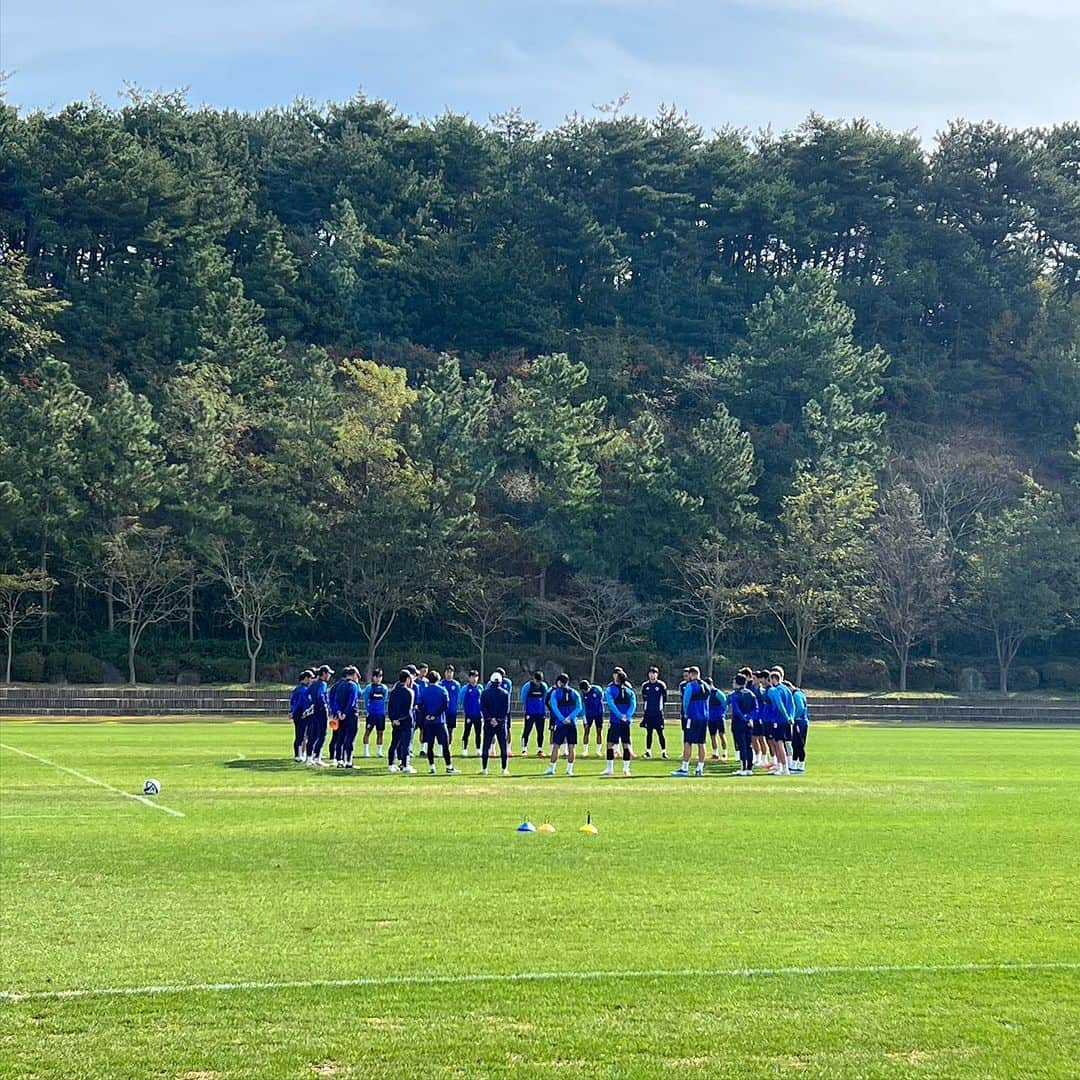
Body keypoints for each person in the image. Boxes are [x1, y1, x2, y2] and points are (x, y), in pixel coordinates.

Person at [672, 665, 709, 777]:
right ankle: (700, 769)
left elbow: (686, 702)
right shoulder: (706, 686)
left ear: (692, 674)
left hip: (693, 717)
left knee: (688, 742)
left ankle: (684, 768)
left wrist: (686, 714)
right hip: (704, 717)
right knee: (701, 743)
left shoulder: (690, 686)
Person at [543, 674, 582, 776]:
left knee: (556, 746)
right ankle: (569, 769)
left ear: (559, 682)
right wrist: (570, 717)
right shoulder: (574, 693)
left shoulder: (555, 693)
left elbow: (554, 707)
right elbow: (579, 707)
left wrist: (562, 718)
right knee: (571, 747)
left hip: (560, 724)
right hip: (572, 723)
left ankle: (551, 768)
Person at [601, 668, 636, 777]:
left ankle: (609, 768)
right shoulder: (629, 691)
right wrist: (627, 716)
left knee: (610, 744)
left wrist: (620, 716)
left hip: (616, 721)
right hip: (626, 722)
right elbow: (633, 705)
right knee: (626, 744)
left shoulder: (610, 690)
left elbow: (611, 705)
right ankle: (626, 769)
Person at [420, 669, 456, 774]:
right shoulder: (442, 690)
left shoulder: (424, 691)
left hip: (428, 722)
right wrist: (435, 715)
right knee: (445, 745)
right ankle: (449, 766)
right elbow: (445, 705)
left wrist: (427, 715)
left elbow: (420, 705)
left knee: (430, 745)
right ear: (438, 678)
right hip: (440, 721)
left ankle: (432, 767)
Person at [480, 672, 512, 776]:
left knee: (486, 746)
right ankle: (504, 769)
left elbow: (483, 708)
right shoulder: (505, 693)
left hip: (489, 723)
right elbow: (505, 709)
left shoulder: (485, 693)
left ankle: (484, 769)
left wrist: (490, 718)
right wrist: (498, 719)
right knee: (503, 746)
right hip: (501, 723)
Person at [331, 666, 362, 768]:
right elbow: (352, 700)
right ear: (353, 675)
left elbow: (336, 700)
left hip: (340, 716)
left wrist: (339, 712)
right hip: (351, 715)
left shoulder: (340, 685)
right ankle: (348, 761)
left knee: (340, 738)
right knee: (350, 739)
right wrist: (345, 712)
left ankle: (339, 760)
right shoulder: (353, 685)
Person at [763, 670, 793, 775]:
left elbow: (780, 705)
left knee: (779, 744)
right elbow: (792, 705)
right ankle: (781, 766)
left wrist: (786, 717)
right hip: (786, 721)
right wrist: (791, 717)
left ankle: (784, 768)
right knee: (781, 744)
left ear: (774, 679)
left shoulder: (776, 690)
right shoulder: (787, 689)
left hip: (779, 720)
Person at [387, 669, 417, 774]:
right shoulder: (410, 692)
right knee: (406, 744)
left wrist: (393, 719)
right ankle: (405, 764)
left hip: (395, 721)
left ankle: (391, 764)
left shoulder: (393, 691)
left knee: (394, 742)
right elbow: (407, 709)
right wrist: (400, 719)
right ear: (408, 679)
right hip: (406, 721)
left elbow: (390, 707)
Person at [729, 674, 757, 776]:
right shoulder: (751, 694)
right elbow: (756, 709)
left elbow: (736, 710)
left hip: (738, 722)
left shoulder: (735, 695)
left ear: (736, 683)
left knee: (742, 745)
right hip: (749, 723)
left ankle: (743, 768)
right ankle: (749, 768)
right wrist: (750, 718)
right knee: (749, 745)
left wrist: (744, 718)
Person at [306, 664, 333, 767]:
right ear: (324, 674)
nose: (329, 675)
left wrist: (311, 704)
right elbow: (320, 695)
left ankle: (309, 758)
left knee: (313, 735)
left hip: (315, 710)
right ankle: (317, 757)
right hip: (321, 710)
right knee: (322, 735)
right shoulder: (322, 684)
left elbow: (306, 694)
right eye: (328, 673)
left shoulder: (313, 684)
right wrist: (324, 704)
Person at [640, 666, 669, 759]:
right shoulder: (645, 686)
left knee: (660, 733)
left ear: (657, 674)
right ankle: (648, 751)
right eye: (651, 673)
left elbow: (664, 699)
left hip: (658, 713)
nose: (652, 675)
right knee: (649, 733)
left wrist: (659, 708)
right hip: (648, 713)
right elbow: (644, 699)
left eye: (654, 673)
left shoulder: (661, 685)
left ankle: (664, 752)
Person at [520, 671, 550, 757]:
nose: (538, 683)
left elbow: (545, 698)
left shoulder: (543, 686)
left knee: (540, 732)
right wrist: (529, 707)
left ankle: (540, 750)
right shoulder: (527, 686)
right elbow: (523, 697)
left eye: (540, 681)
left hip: (540, 713)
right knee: (527, 731)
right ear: (533, 679)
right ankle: (524, 749)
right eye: (537, 681)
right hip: (530, 713)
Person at [361, 669, 388, 757]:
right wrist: (368, 709)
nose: (378, 679)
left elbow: (384, 699)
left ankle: (379, 751)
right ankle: (365, 751)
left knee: (380, 733)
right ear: (373, 677)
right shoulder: (369, 688)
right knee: (368, 732)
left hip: (381, 714)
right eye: (376, 676)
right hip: (372, 714)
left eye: (380, 676)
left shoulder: (384, 688)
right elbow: (365, 699)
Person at [289, 670, 314, 762]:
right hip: (301, 714)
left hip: (298, 714)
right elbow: (302, 703)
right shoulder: (303, 690)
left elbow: (292, 702)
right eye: (311, 678)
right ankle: (298, 755)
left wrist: (292, 711)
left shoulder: (297, 689)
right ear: (306, 678)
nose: (312, 680)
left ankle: (301, 753)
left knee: (302, 735)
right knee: (301, 735)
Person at [459, 669, 484, 756]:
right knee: (466, 732)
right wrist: (464, 710)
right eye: (472, 677)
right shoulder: (466, 688)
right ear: (469, 678)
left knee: (478, 733)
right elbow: (460, 699)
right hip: (469, 715)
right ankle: (464, 749)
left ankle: (478, 749)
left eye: (476, 677)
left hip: (478, 715)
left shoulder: (480, 688)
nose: (474, 679)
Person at [579, 679, 605, 755]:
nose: (584, 692)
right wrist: (584, 720)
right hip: (588, 715)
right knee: (586, 731)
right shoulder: (582, 694)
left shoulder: (597, 690)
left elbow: (601, 698)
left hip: (598, 713)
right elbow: (582, 706)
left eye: (585, 690)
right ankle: (585, 751)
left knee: (599, 731)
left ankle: (598, 751)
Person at [706, 677, 729, 762]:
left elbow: (724, 704)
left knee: (721, 735)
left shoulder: (718, 693)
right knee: (712, 736)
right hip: (711, 718)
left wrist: (721, 713)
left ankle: (724, 753)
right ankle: (715, 753)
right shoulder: (707, 694)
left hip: (719, 717)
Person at [789, 681, 809, 772]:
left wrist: (794, 717)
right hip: (800, 721)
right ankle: (794, 763)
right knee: (795, 743)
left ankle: (801, 764)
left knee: (799, 744)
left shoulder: (796, 695)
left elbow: (800, 707)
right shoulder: (800, 693)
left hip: (800, 722)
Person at [439, 665, 461, 745]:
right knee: (441, 730)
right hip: (442, 711)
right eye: (447, 672)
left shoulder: (456, 684)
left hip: (452, 711)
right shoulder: (440, 684)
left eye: (450, 672)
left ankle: (448, 747)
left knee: (450, 730)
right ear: (444, 673)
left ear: (453, 673)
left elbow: (458, 697)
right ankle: (441, 748)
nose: (449, 674)